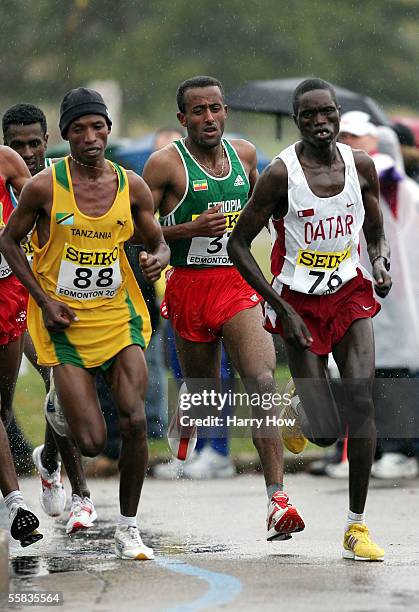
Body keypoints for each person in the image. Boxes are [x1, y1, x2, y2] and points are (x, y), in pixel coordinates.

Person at [0, 87, 170, 560]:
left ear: (108, 131)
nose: (90, 137)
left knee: (135, 421)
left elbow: (157, 241)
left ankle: (129, 527)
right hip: (65, 323)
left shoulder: (131, 184)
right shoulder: (43, 188)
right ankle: (58, 418)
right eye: (80, 129)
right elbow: (9, 243)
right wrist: (44, 300)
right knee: (93, 442)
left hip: (119, 317)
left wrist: (158, 258)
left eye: (98, 127)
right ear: (67, 136)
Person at [228, 78, 392, 561]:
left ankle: (356, 527)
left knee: (363, 402)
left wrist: (380, 265)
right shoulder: (281, 175)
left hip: (350, 294)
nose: (321, 123)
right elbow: (239, 245)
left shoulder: (361, 167)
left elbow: (376, 235)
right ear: (297, 120)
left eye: (328, 113)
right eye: (309, 116)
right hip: (297, 302)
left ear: (338, 114)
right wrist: (280, 309)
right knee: (322, 431)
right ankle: (298, 408)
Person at [143, 75, 304, 540]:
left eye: (215, 109)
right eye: (198, 111)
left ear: (225, 110)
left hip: (236, 282)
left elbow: (266, 206)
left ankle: (277, 499)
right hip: (189, 287)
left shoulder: (245, 155)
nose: (208, 118)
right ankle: (188, 410)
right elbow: (136, 228)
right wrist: (185, 231)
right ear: (182, 119)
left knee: (259, 379)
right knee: (206, 394)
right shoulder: (165, 166)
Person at [3, 102, 97, 533]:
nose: (27, 153)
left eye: (34, 144)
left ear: (48, 142)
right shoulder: (9, 179)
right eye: (17, 145)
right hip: (16, 294)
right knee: (29, 394)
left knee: (59, 383)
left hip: (51, 296)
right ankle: (66, 489)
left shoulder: (64, 179)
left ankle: (63, 473)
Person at [339, 112, 419, 479]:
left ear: (374, 140)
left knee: (394, 370)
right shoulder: (344, 182)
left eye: (356, 137)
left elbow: (386, 167)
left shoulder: (392, 181)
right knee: (360, 370)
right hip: (359, 289)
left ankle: (400, 449)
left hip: (400, 295)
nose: (350, 143)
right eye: (345, 137)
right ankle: (363, 450)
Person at [0, 143, 43, 547]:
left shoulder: (6, 160)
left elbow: (40, 212)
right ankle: (15, 504)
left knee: (2, 405)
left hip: (5, 293)